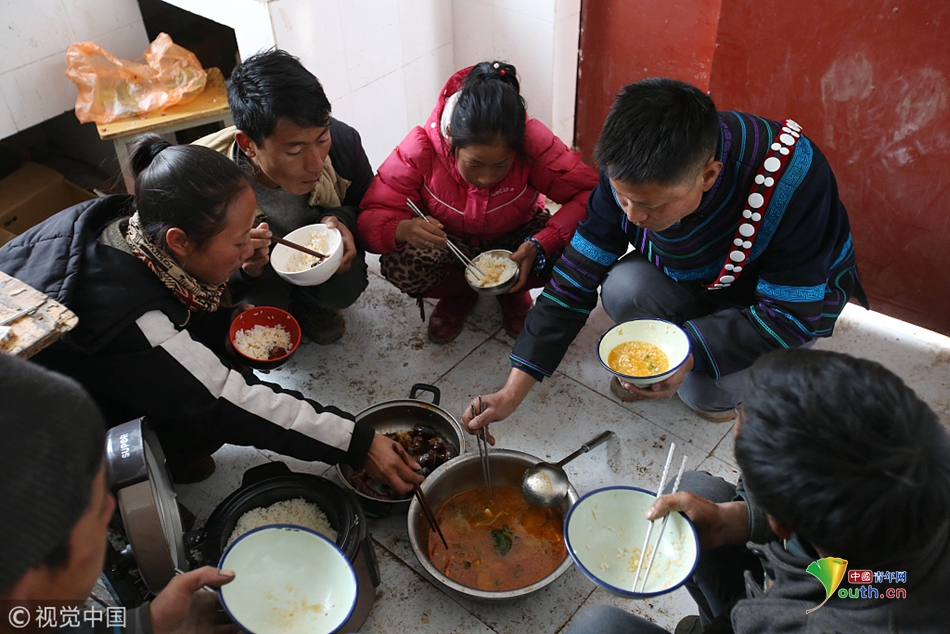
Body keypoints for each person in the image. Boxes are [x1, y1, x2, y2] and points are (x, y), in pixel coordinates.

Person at [0, 135, 422, 493]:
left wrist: (223, 324)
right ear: (180, 241)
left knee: (215, 359)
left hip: (77, 364)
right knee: (201, 419)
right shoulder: (132, 320)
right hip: (33, 436)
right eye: (240, 241)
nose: (251, 249)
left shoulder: (129, 225)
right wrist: (357, 442)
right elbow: (225, 400)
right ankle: (133, 481)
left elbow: (189, 307)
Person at [462, 77, 868, 435]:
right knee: (621, 288)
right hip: (700, 282)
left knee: (704, 391)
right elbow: (577, 275)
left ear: (708, 176)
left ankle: (712, 380)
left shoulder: (792, 178)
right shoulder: (625, 165)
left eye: (652, 206)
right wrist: (512, 392)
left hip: (776, 305)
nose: (634, 216)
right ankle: (695, 345)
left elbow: (791, 314)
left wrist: (688, 349)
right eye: (623, 199)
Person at [567, 349, 950, 633]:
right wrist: (737, 519)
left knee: (597, 626)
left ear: (784, 525)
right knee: (694, 493)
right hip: (831, 587)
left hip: (802, 608)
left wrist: (742, 621)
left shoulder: (823, 625)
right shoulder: (919, 465)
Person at [357, 61, 598, 343]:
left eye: (500, 166)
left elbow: (589, 197)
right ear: (451, 141)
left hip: (517, 237)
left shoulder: (531, 141)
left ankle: (511, 290)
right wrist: (403, 229)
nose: (485, 178)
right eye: (474, 164)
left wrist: (542, 242)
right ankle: (459, 293)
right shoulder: (420, 148)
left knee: (577, 251)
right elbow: (370, 217)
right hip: (450, 242)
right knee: (402, 263)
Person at [0, 352, 238, 634]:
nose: (112, 506)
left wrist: (144, 625)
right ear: (27, 588)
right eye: (99, 507)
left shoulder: (26, 615)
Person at [194, 49, 374, 345]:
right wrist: (244, 267)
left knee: (345, 284)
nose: (315, 163)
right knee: (260, 327)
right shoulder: (205, 179)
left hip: (317, 263)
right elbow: (193, 269)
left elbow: (370, 207)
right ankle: (279, 302)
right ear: (249, 145)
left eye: (321, 139)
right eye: (294, 151)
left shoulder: (343, 143)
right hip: (257, 272)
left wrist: (341, 220)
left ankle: (310, 306)